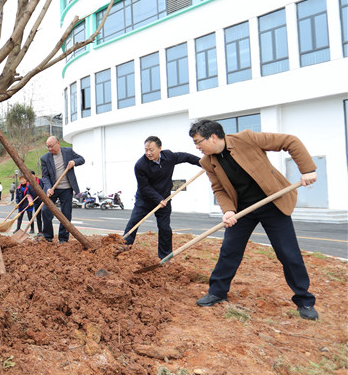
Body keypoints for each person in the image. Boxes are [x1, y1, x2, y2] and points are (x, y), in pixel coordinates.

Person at [189, 119, 319, 320]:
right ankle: (217, 292)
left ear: (213, 137)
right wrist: (229, 211)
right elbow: (219, 189)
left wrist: (307, 169)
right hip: (243, 209)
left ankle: (305, 301)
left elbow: (290, 141)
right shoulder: (208, 162)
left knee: (288, 253)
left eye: (198, 142)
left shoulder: (247, 138)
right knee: (229, 251)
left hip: (272, 202)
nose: (197, 147)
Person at [122, 136, 201, 258]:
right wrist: (158, 199)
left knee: (165, 228)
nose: (148, 153)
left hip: (165, 199)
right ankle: (123, 251)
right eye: (146, 149)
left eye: (151, 149)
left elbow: (186, 157)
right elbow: (144, 187)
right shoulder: (140, 165)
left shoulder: (169, 156)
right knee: (133, 223)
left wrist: (202, 163)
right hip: (145, 200)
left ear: (160, 148)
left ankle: (165, 256)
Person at [39, 136, 85, 243]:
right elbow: (45, 176)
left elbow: (82, 159)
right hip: (53, 189)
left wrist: (74, 162)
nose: (50, 149)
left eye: (51, 146)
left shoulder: (68, 152)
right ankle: (48, 236)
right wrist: (48, 187)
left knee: (66, 214)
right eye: (48, 147)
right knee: (45, 211)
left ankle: (63, 239)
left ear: (58, 143)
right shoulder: (45, 158)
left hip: (66, 189)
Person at [31, 170, 45, 234]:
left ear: (34, 175)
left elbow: (45, 188)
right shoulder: (30, 184)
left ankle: (46, 231)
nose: (31, 177)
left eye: (32, 175)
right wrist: (30, 201)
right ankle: (40, 231)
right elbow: (28, 195)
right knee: (38, 217)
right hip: (36, 203)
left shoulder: (41, 181)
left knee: (45, 217)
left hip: (43, 202)